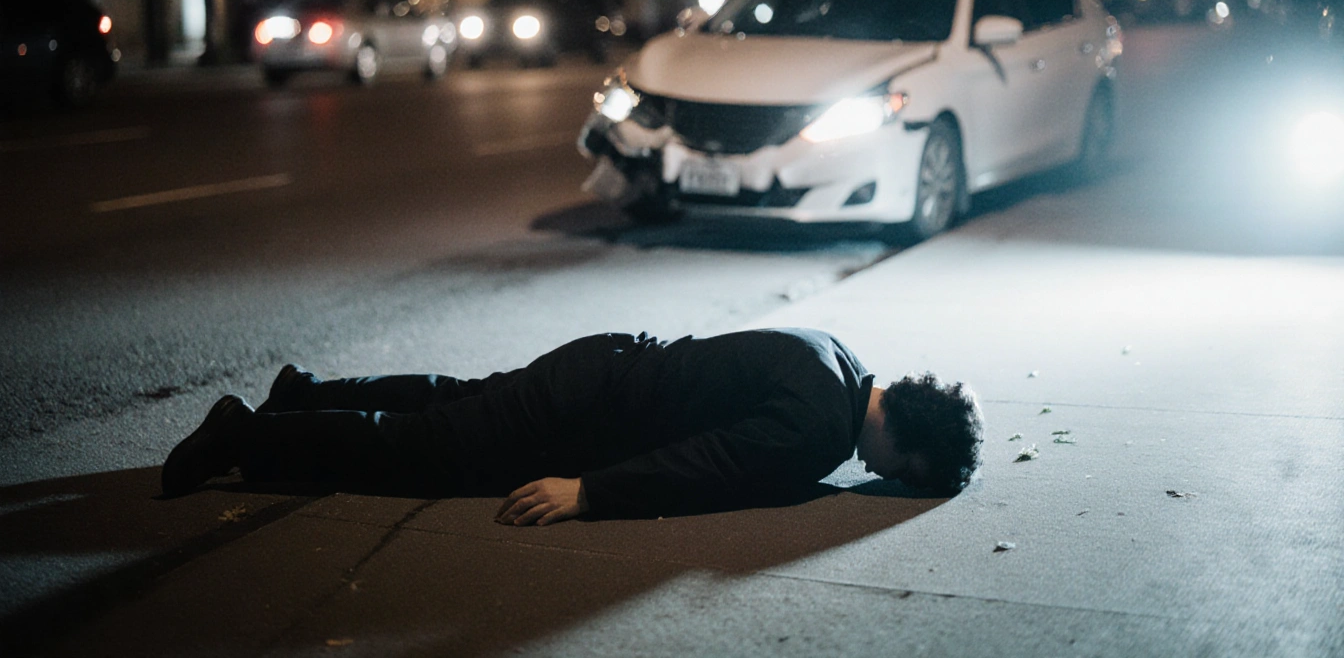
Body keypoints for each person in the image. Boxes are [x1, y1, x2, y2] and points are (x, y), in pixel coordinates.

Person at [161, 328, 984, 525]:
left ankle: (303, 393)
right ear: (906, 449)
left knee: (459, 398)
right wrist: (588, 492)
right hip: (584, 418)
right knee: (422, 452)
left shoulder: (834, 357)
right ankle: (244, 435)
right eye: (902, 475)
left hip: (602, 362)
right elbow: (707, 465)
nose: (886, 481)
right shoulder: (818, 428)